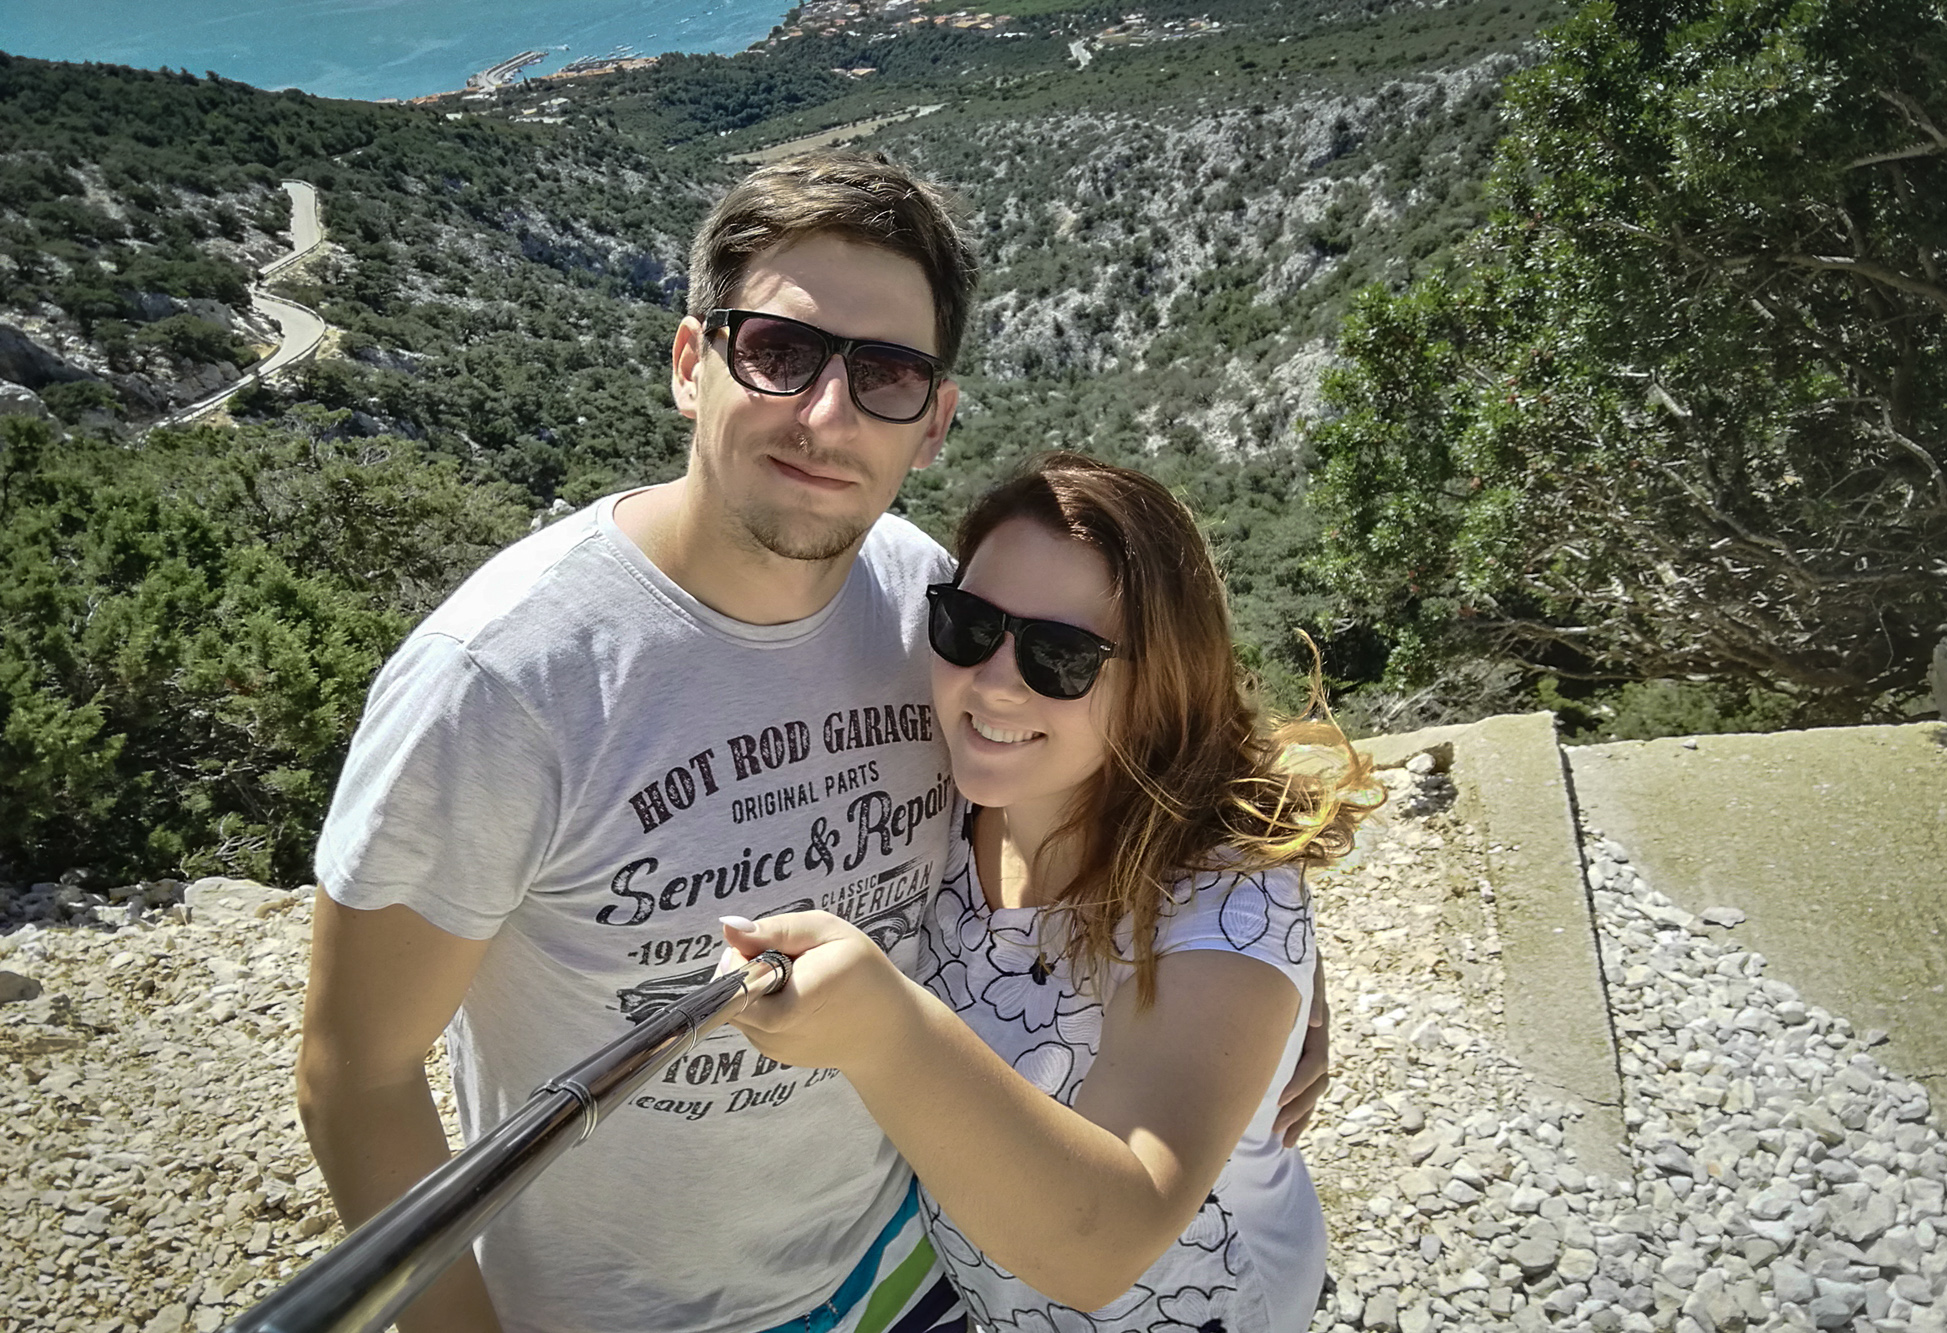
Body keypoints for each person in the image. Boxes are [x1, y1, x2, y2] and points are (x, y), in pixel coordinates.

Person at [298, 151, 1332, 1333]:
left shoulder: (931, 606)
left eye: (884, 374)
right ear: (690, 364)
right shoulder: (501, 681)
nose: (826, 415)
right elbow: (355, 1075)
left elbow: (1148, 739)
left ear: (932, 423)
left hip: (909, 1267)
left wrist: (1267, 992)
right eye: (778, 352)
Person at [718, 454, 1383, 1333]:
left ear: (1160, 683)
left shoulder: (1229, 900)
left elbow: (1103, 1246)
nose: (995, 681)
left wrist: (884, 1030)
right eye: (969, 626)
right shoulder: (953, 798)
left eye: (1060, 657)